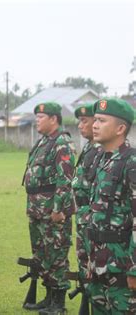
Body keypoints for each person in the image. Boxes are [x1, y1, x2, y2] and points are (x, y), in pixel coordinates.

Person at [22, 102, 76, 313]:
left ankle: (59, 303)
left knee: (56, 255)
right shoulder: (44, 142)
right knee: (42, 255)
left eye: (41, 116)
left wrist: (58, 209)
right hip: (37, 209)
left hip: (53, 211)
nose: (37, 120)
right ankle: (48, 297)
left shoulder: (62, 143)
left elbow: (65, 180)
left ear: (54, 119)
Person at [87, 98, 135, 314]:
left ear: (120, 128)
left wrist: (134, 269)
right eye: (95, 120)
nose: (94, 125)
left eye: (102, 121)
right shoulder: (102, 159)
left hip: (122, 266)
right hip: (99, 263)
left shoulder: (131, 162)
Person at [70, 103, 103, 300]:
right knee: (84, 262)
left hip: (93, 217)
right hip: (83, 214)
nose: (80, 126)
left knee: (93, 263)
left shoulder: (101, 151)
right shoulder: (89, 148)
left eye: (85, 121)